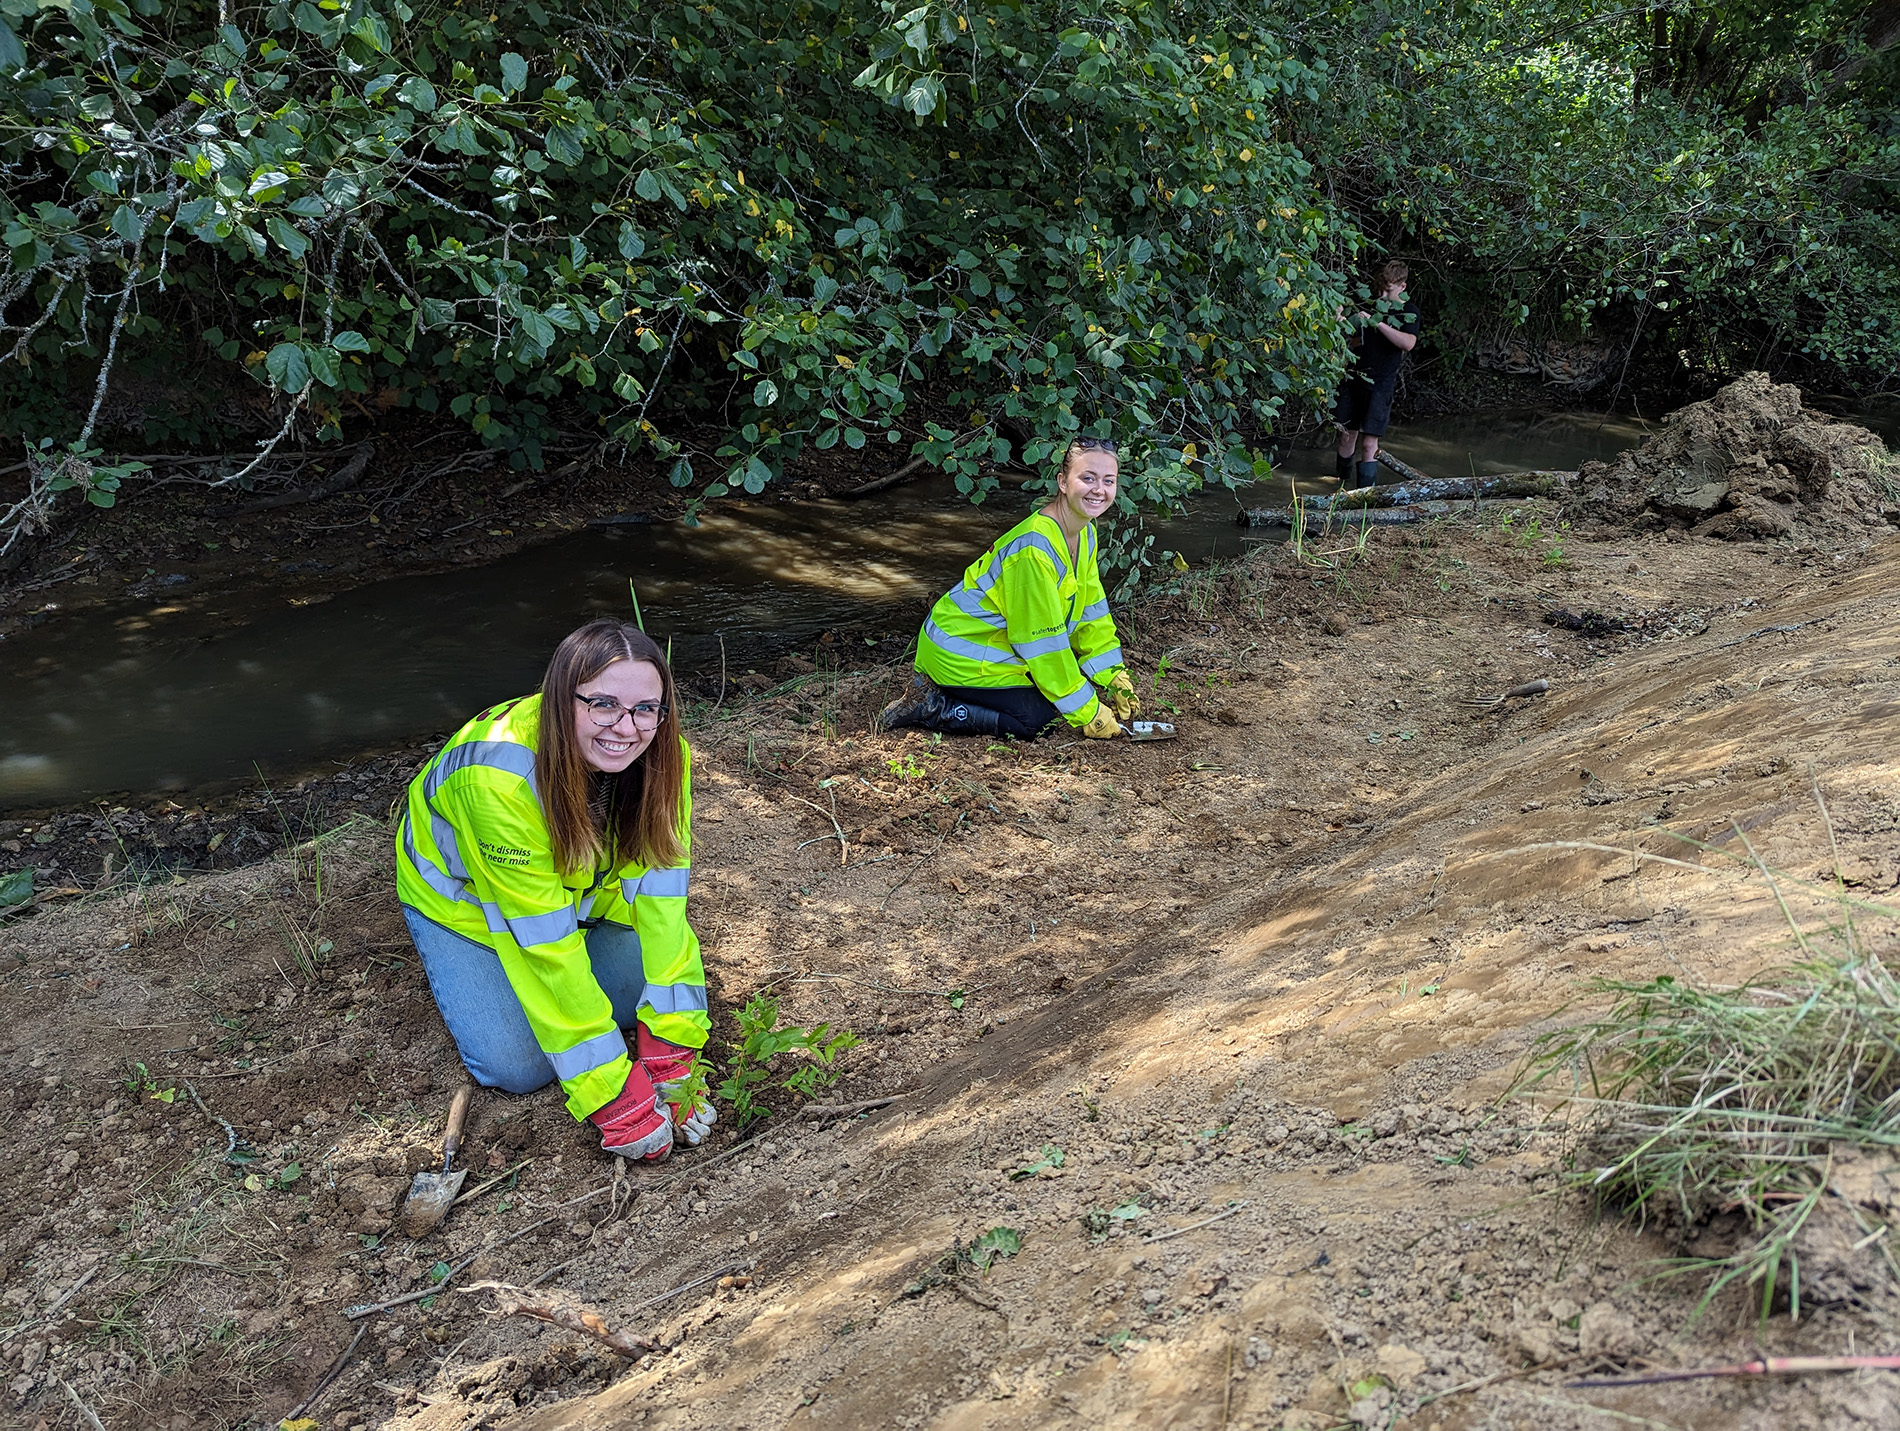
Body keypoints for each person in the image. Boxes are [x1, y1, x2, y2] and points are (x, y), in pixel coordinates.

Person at [395, 619, 714, 1163]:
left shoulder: (666, 757)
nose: (627, 728)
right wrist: (610, 1092)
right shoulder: (497, 780)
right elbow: (544, 940)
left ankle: (605, 1015)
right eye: (603, 704)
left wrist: (673, 1045)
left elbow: (663, 901)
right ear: (560, 698)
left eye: (646, 709)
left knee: (660, 991)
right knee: (519, 1066)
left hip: (581, 891)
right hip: (471, 909)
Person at [879, 435, 1137, 740]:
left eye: (1109, 480)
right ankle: (933, 707)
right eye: (1088, 478)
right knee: (1038, 720)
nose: (1099, 490)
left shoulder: (1085, 535)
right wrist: (1089, 713)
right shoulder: (1034, 550)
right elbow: (1044, 644)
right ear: (1063, 482)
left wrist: (1114, 676)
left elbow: (1092, 614)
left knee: (1056, 697)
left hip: (995, 643)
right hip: (959, 651)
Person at [1332, 260, 1420, 489]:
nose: (1382, 294)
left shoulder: (1409, 312)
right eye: (1380, 289)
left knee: (1369, 443)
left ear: (1402, 286)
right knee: (1345, 434)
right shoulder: (1372, 304)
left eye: (1388, 290)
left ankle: (1365, 494)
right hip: (1353, 379)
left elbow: (1408, 343)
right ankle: (1338, 486)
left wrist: (1378, 323)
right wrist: (1340, 320)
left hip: (1381, 384)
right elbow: (1354, 340)